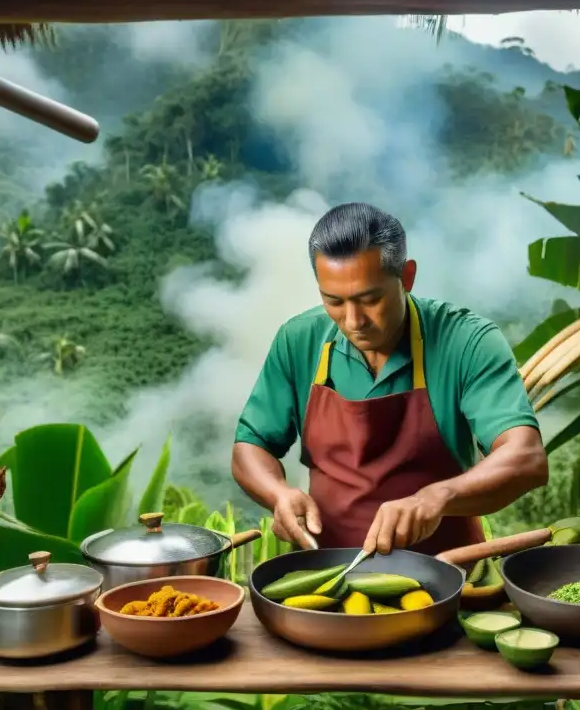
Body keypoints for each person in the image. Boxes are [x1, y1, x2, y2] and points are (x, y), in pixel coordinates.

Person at [231, 202, 548, 556]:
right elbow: (250, 446)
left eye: (370, 299)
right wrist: (279, 494)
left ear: (407, 277)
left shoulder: (467, 341)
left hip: (446, 572)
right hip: (328, 573)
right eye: (333, 301)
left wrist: (437, 497)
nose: (353, 321)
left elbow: (526, 457)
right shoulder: (298, 340)